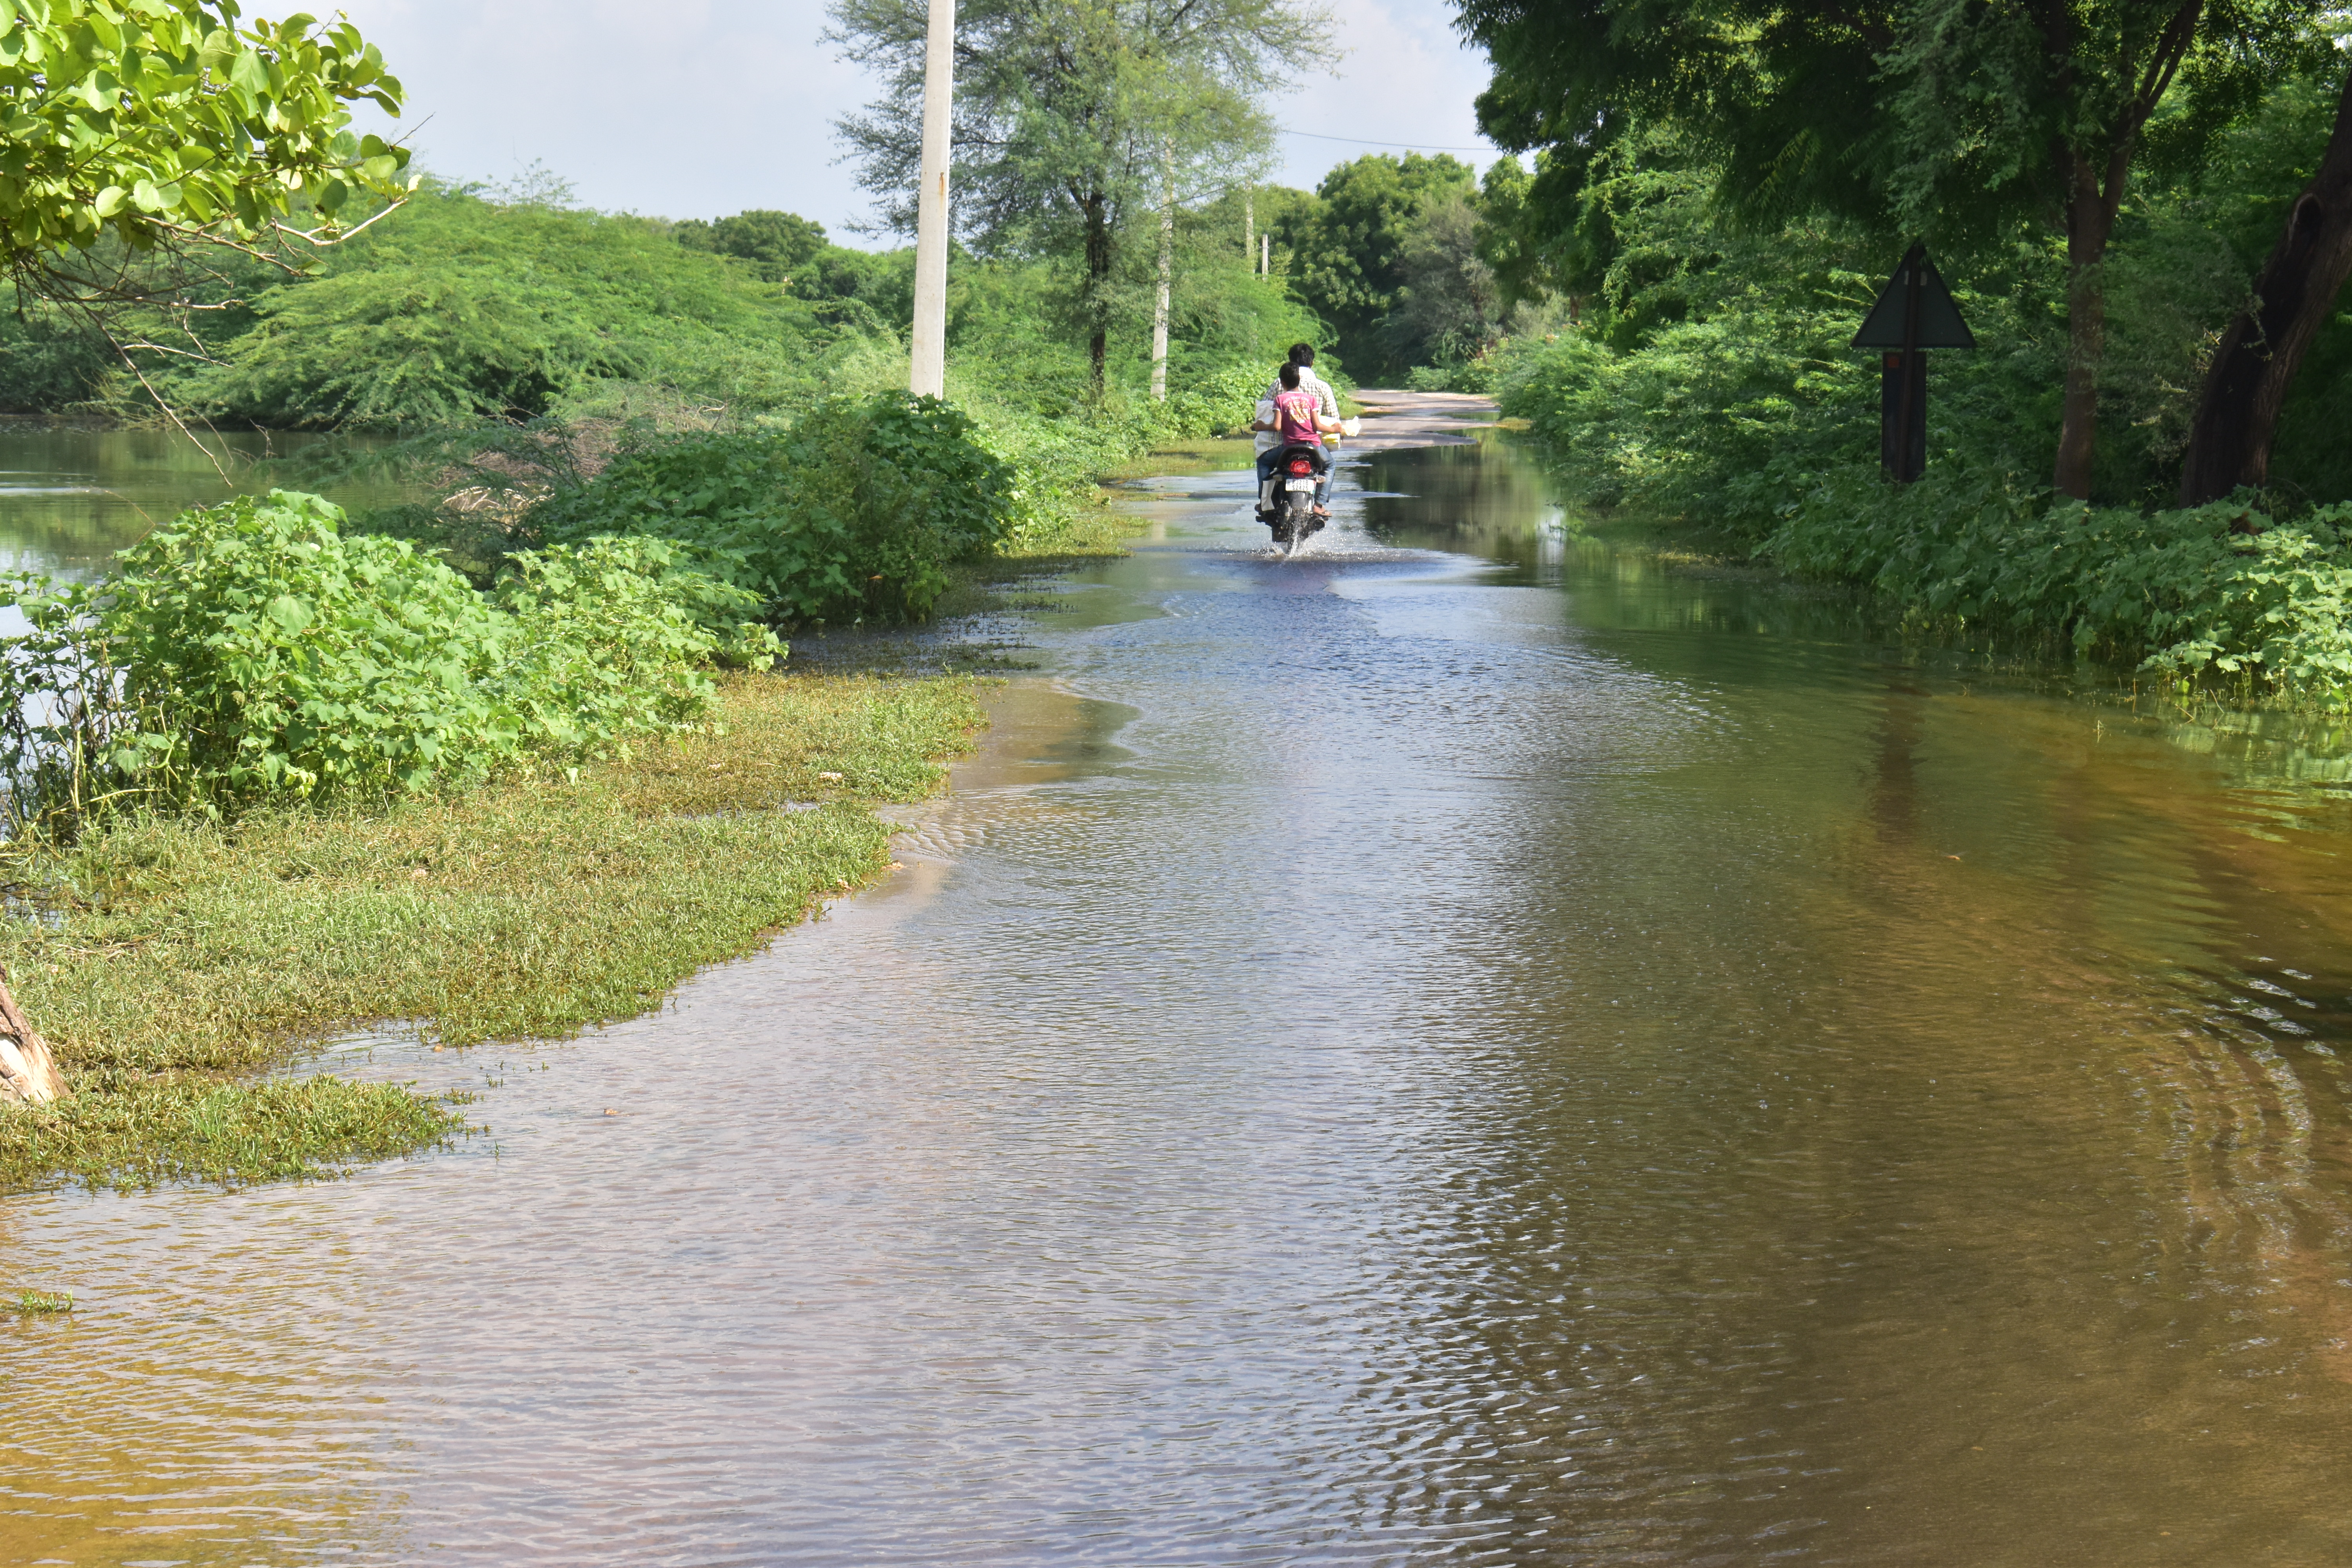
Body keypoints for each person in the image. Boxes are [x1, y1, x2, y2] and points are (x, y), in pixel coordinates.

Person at [1254, 343, 1341, 514]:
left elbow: (1264, 413)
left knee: (1264, 462)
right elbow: (1328, 420)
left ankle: (1266, 502)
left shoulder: (1279, 390)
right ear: (1312, 363)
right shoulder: (1319, 391)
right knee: (1330, 465)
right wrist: (1337, 429)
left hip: (1286, 446)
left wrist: (1260, 426)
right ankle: (1320, 504)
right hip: (1314, 446)